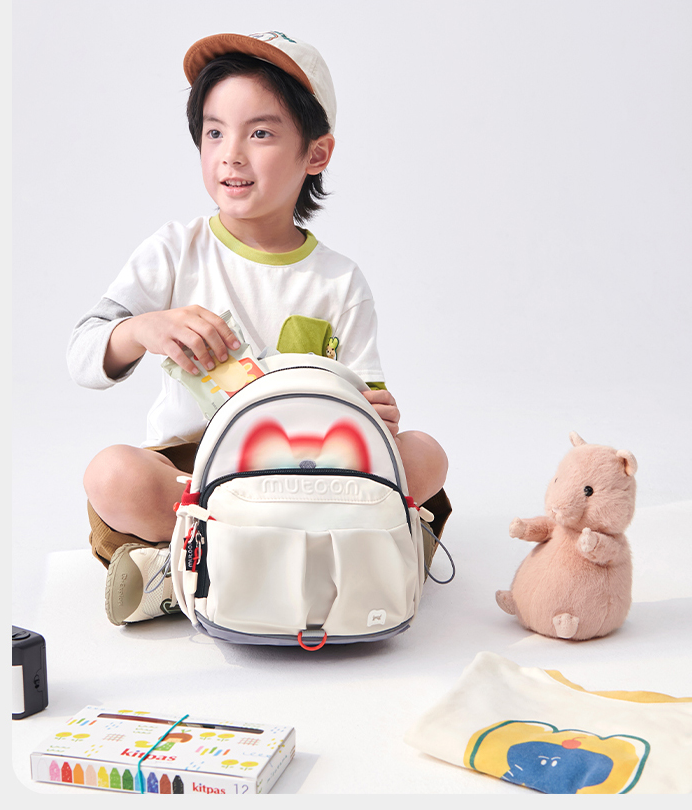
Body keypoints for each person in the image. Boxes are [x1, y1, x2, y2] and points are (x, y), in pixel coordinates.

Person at [68, 31, 450, 626]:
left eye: (261, 133)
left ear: (316, 154)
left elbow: (370, 405)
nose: (232, 154)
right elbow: (83, 353)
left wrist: (377, 411)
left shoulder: (339, 280)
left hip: (309, 468)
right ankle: (339, 557)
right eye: (215, 132)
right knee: (112, 474)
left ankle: (187, 568)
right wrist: (143, 328)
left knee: (426, 456)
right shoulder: (174, 250)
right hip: (193, 470)